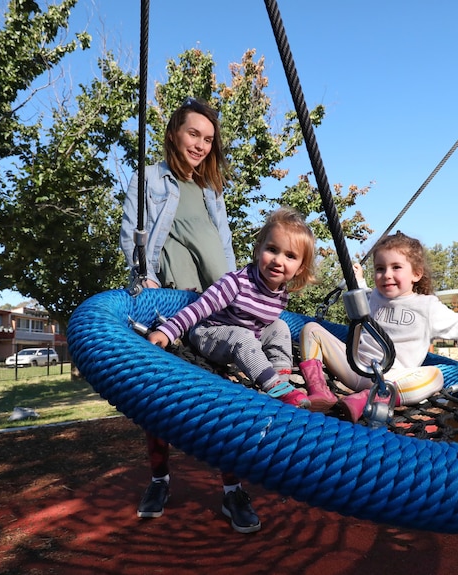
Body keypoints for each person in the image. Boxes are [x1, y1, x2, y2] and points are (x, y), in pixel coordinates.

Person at [119, 97, 258, 533]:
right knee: (158, 394)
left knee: (223, 391)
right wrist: (144, 278)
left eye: (208, 139)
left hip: (213, 294)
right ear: (175, 132)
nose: (200, 144)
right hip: (171, 296)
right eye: (193, 133)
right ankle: (160, 479)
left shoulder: (211, 190)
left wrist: (240, 285)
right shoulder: (149, 180)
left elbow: (225, 244)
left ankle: (232, 489)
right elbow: (133, 233)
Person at [298, 231, 458, 422]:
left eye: (396, 267)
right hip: (354, 368)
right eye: (380, 269)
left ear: (416, 274)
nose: (386, 275)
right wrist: (356, 277)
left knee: (435, 376)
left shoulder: (426, 307)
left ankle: (366, 400)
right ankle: (320, 391)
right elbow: (359, 289)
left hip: (390, 379)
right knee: (311, 330)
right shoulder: (372, 298)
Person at [148, 207, 321, 410]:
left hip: (244, 341)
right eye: (272, 249)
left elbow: (264, 329)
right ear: (259, 250)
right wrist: (168, 331)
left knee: (280, 327)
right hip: (210, 335)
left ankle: (280, 378)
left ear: (300, 267)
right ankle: (273, 386)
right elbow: (199, 308)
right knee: (242, 336)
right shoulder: (236, 283)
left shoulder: (281, 295)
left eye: (290, 256)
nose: (278, 260)